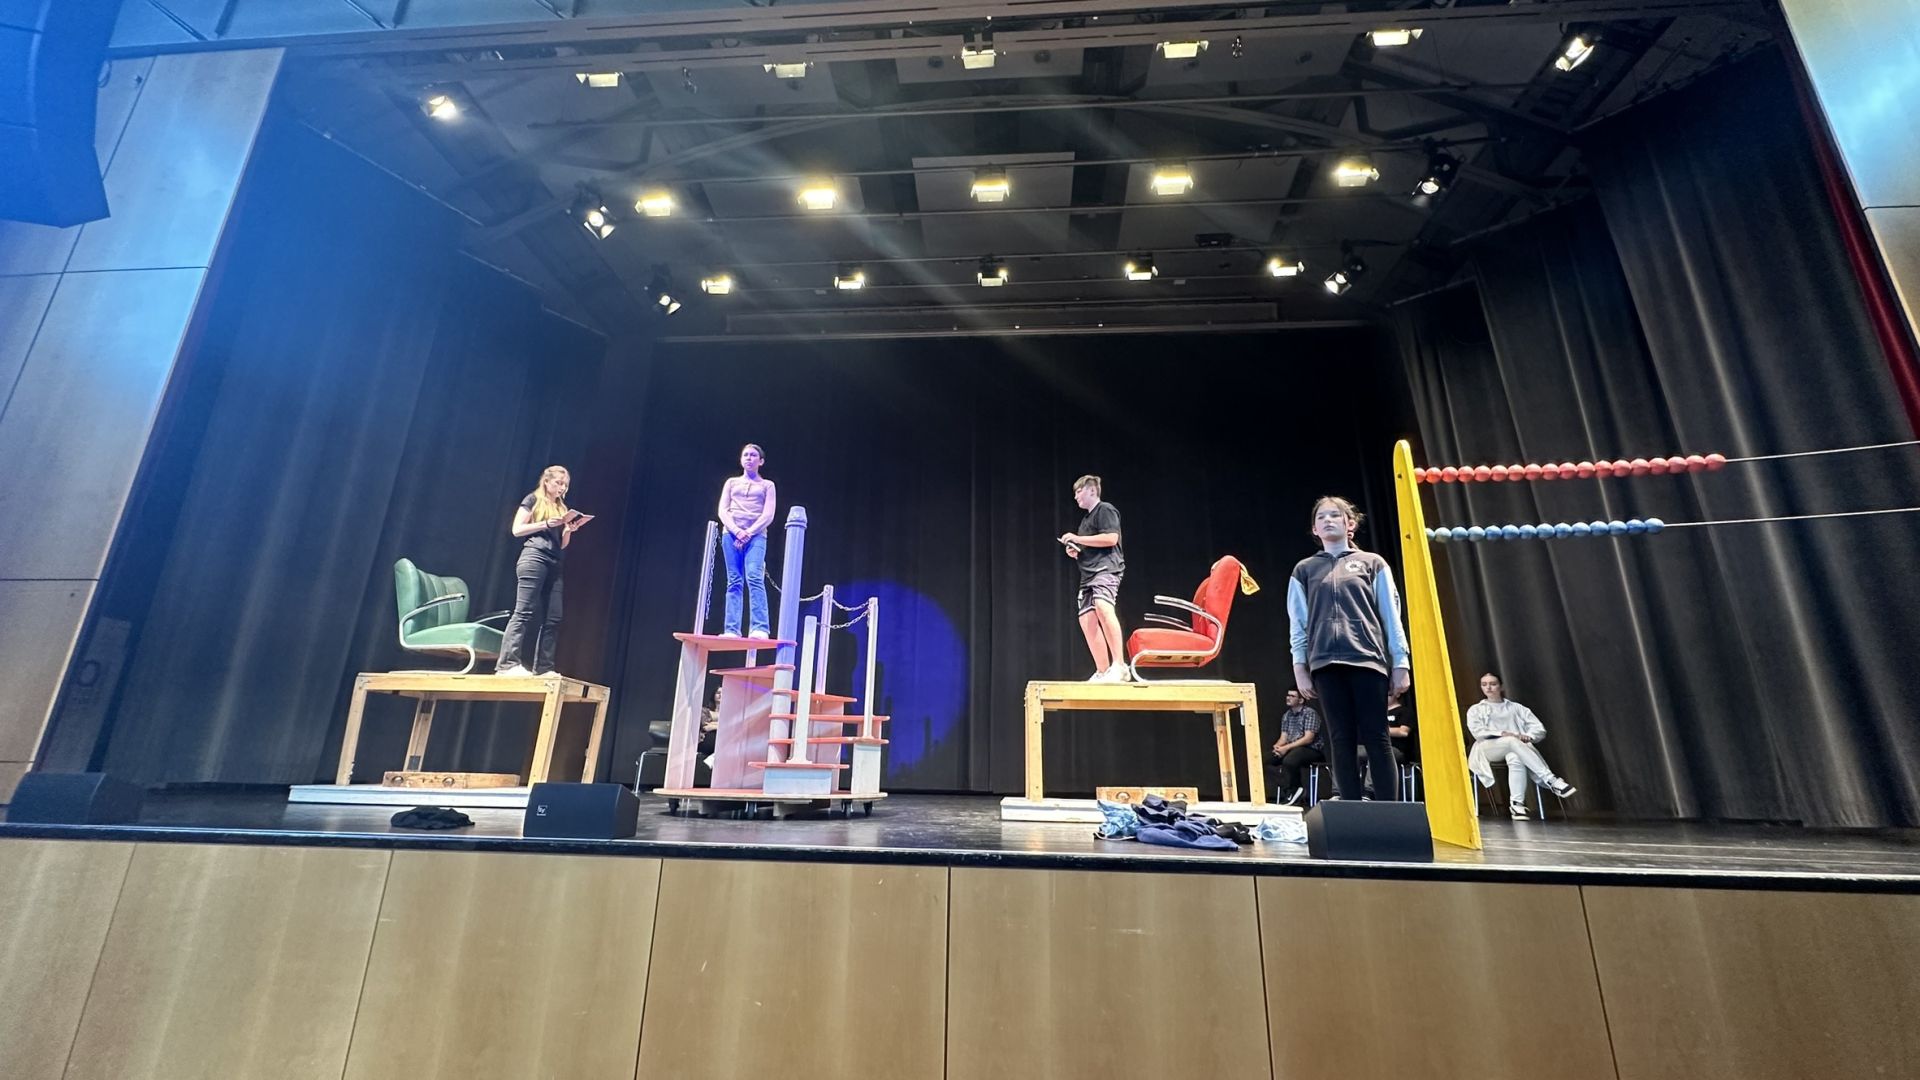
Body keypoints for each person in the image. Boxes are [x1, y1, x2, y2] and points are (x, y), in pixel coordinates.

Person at [1287, 495, 1411, 801]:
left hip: (1367, 660)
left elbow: (1391, 615)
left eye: (1335, 515)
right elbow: (1298, 624)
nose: (1328, 520)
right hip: (1325, 664)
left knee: (1376, 737)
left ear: (1350, 524)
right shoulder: (1304, 570)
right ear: (1314, 529)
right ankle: (1350, 807)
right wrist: (1300, 668)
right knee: (1340, 738)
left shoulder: (1372, 563)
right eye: (1321, 517)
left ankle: (1388, 812)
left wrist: (1400, 662)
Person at [497, 465, 585, 676]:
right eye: (558, 483)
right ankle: (507, 665)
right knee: (524, 611)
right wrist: (545, 523)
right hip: (534, 556)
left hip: (554, 561)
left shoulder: (562, 508)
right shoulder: (533, 499)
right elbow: (517, 529)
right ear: (546, 481)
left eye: (565, 485)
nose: (562, 488)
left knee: (554, 618)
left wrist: (568, 530)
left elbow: (561, 544)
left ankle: (544, 668)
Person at [1466, 671, 1576, 818]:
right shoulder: (1475, 709)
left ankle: (1516, 805)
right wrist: (1503, 733)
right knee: (1511, 741)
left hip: (1516, 747)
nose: (1488, 688)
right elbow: (1477, 732)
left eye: (1493, 684)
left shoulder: (1516, 708)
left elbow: (1538, 728)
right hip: (1487, 748)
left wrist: (1529, 736)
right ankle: (1551, 780)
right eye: (1484, 684)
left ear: (1501, 686)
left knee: (1515, 757)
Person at [1058, 474, 1128, 682]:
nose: (1076, 496)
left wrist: (1077, 538)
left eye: (1079, 491)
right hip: (1088, 574)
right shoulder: (1085, 521)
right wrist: (1076, 550)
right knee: (1086, 619)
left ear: (1092, 490)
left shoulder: (1105, 509)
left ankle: (1120, 665)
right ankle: (1103, 670)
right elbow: (1091, 545)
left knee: (1103, 606)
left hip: (1106, 569)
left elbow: (1111, 538)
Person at [716, 444, 778, 638]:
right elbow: (722, 510)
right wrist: (736, 531)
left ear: (761, 461)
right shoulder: (731, 482)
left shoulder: (767, 485)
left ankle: (760, 627)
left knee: (754, 577)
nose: (749, 458)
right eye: (745, 455)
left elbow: (768, 514)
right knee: (734, 580)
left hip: (756, 535)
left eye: (753, 455)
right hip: (731, 534)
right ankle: (731, 629)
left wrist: (748, 533)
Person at [1267, 688, 1325, 805]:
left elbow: (1308, 738)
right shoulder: (1287, 715)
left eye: (1292, 696)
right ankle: (1292, 790)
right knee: (1264, 761)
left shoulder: (1309, 713)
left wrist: (1286, 748)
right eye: (1288, 695)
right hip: (1291, 748)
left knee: (1290, 760)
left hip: (1311, 749)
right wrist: (1277, 747)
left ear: (1301, 700)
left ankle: (1293, 791)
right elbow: (1283, 738)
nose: (1288, 698)